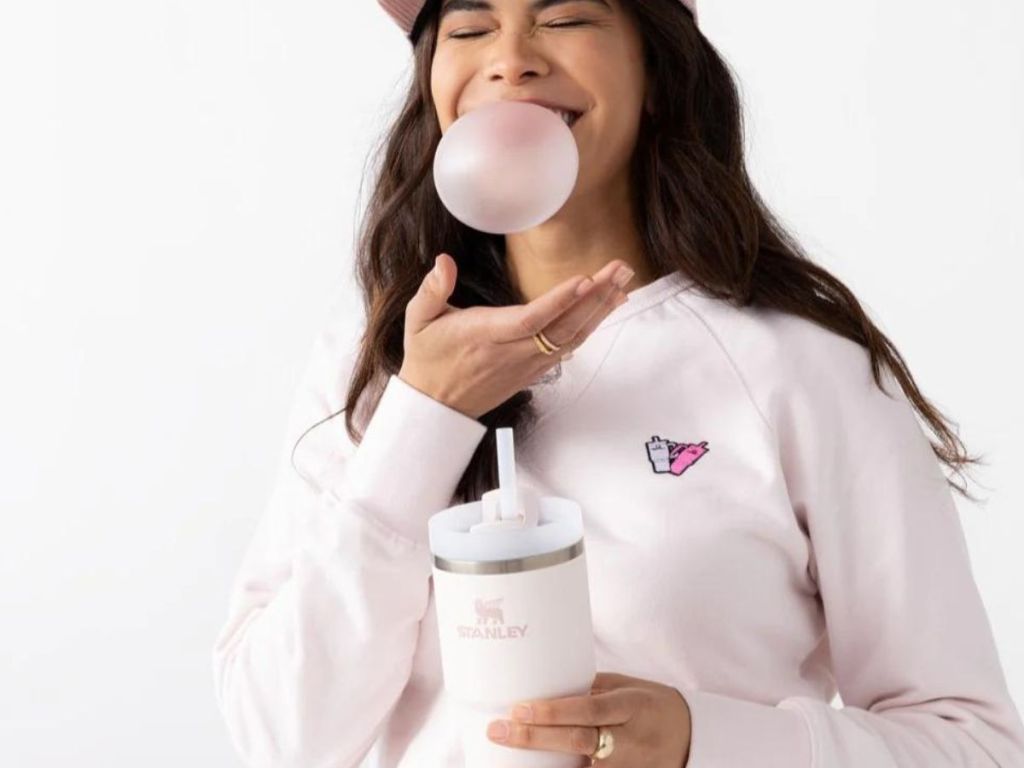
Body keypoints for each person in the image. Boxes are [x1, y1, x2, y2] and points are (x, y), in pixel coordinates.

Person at [211, 0, 1024, 765]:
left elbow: (973, 744)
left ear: (660, 73)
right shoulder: (369, 365)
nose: (511, 60)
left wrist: (700, 741)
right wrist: (425, 417)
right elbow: (281, 737)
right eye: (469, 27)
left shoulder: (799, 367)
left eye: (564, 15)